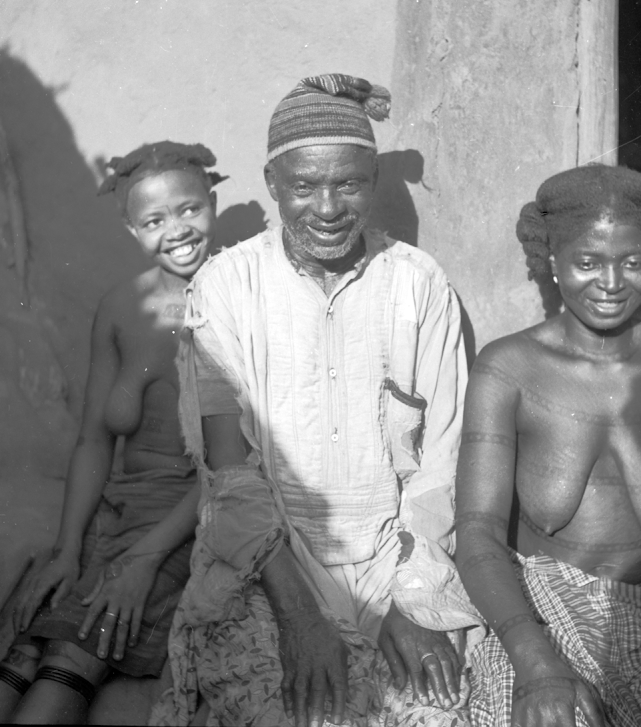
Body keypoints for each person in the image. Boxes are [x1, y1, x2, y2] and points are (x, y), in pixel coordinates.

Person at [150, 74, 481, 727]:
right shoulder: (224, 288)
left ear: (374, 178)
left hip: (397, 564)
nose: (327, 207)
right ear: (273, 183)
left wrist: (408, 606)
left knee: (439, 711)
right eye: (304, 186)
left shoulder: (418, 286)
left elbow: (442, 464)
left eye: (348, 184)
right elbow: (229, 474)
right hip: (267, 572)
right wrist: (301, 616)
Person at [455, 164, 641, 727]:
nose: (613, 283)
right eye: (588, 262)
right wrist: (536, 665)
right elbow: (477, 531)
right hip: (534, 616)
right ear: (552, 262)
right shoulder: (508, 370)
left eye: (633, 262)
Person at [0, 141, 223, 724]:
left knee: (73, 654)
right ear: (131, 228)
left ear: (212, 202)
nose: (177, 231)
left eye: (190, 210)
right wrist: (68, 548)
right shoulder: (122, 307)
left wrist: (146, 562)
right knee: (23, 641)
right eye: (154, 220)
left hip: (188, 520)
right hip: (116, 511)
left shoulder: (239, 304)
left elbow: (232, 466)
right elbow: (94, 442)